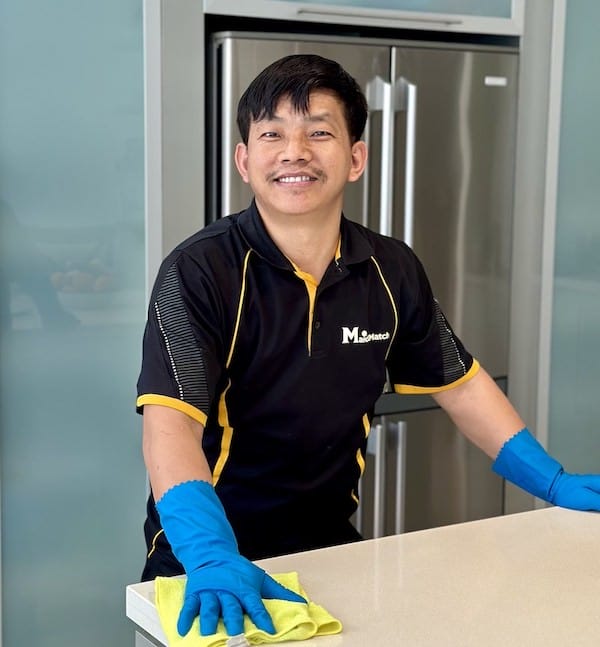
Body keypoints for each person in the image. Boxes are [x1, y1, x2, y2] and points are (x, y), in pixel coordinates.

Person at [136, 54, 600, 638]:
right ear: (245, 160)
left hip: (332, 551)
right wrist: (207, 553)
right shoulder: (199, 271)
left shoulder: (391, 267)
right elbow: (168, 425)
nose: (294, 151)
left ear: (356, 157)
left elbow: (459, 382)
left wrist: (549, 480)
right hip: (203, 564)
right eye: (272, 134)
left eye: (320, 132)